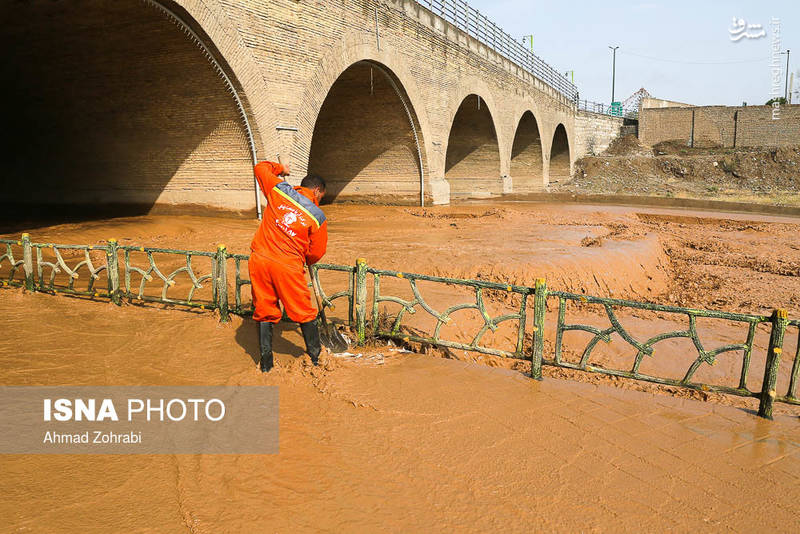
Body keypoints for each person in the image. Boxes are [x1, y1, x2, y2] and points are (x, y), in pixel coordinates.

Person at [249, 160, 328, 372]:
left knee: (264, 310)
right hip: (287, 266)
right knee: (303, 311)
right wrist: (306, 259)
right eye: (321, 197)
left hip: (259, 259)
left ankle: (266, 365)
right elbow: (316, 253)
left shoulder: (278, 190)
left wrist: (280, 168)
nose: (320, 201)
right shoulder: (317, 216)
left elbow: (259, 168)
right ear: (317, 191)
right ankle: (316, 360)